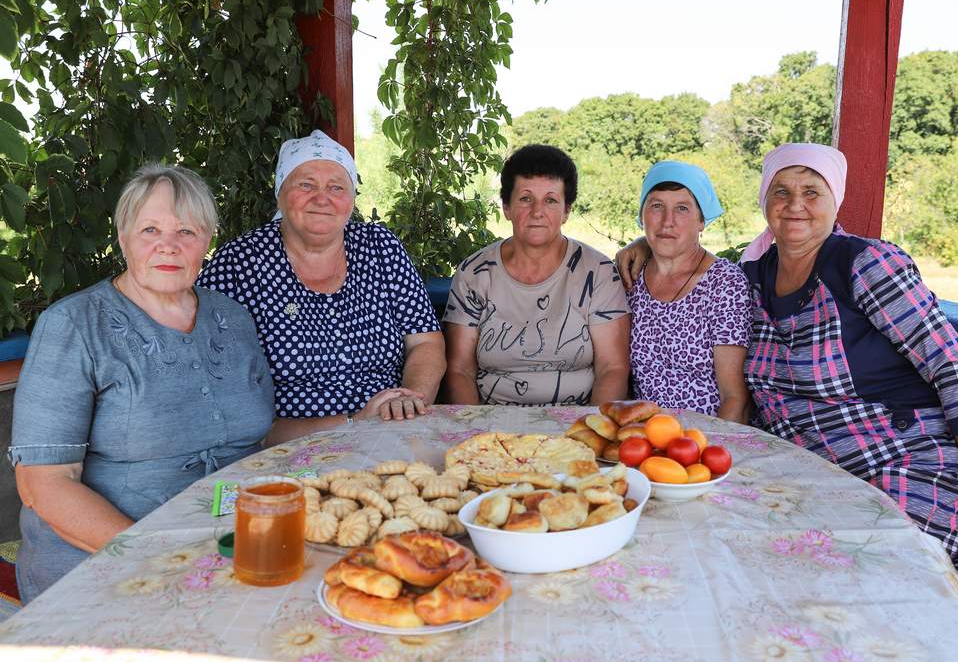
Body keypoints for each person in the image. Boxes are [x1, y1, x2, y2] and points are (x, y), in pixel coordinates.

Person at [9, 165, 275, 603]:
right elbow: (44, 485)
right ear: (123, 237)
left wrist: (355, 419)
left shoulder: (233, 318)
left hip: (230, 550)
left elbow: (262, 432)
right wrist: (161, 557)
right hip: (108, 567)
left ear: (207, 241)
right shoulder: (73, 326)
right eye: (150, 229)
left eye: (186, 231)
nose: (168, 245)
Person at [740, 142, 958, 571]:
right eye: (781, 191)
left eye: (812, 192)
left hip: (899, 459)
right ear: (764, 201)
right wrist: (641, 248)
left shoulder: (865, 264)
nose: (795, 205)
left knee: (876, 575)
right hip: (805, 473)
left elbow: (953, 367)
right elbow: (684, 267)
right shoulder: (751, 277)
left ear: (834, 200)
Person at [197, 130, 443, 442]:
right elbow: (222, 393)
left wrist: (408, 401)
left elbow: (426, 343)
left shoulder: (381, 247)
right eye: (306, 185)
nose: (322, 198)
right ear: (280, 192)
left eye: (336, 187)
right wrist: (353, 422)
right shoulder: (239, 263)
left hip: (389, 433)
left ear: (351, 198)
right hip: (286, 449)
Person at [443, 144, 630, 406]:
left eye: (551, 200)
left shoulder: (597, 272)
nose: (537, 212)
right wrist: (476, 432)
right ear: (507, 207)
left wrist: (590, 434)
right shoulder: (474, 273)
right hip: (492, 425)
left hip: (576, 426)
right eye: (525, 198)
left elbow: (613, 368)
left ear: (566, 211)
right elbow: (460, 369)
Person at [626, 161, 751, 422]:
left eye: (682, 208)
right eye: (656, 206)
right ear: (642, 215)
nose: (667, 221)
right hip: (641, 438)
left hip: (702, 442)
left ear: (702, 220)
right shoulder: (631, 276)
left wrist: (709, 457)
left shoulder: (723, 283)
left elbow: (735, 398)